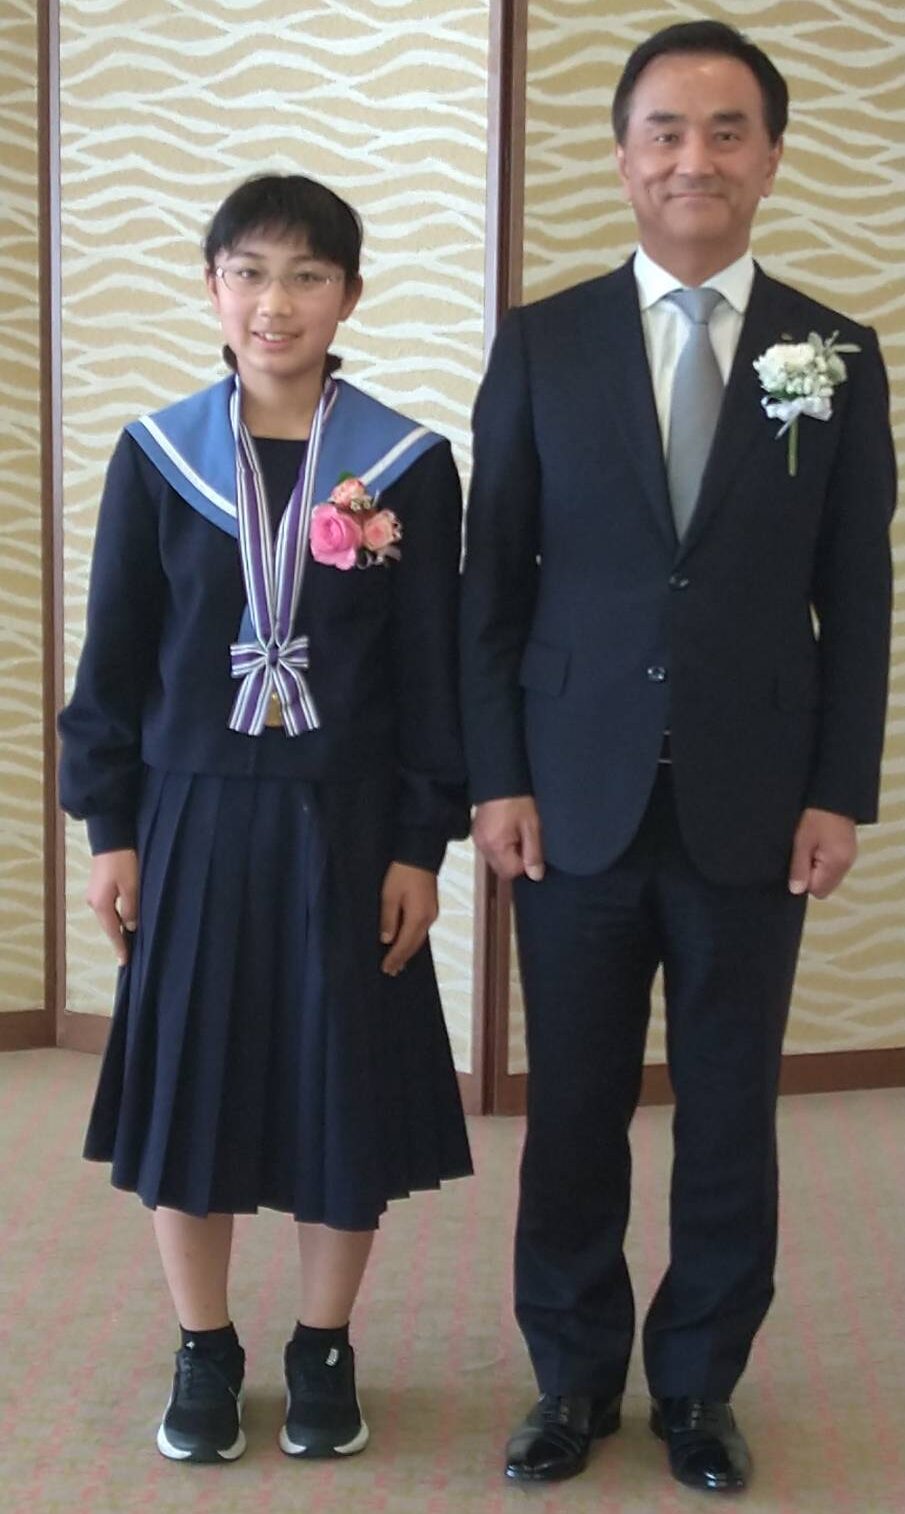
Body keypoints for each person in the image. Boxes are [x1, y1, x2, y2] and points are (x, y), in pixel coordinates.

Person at [460, 20, 895, 1495]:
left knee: (726, 1114)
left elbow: (857, 591)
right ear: (622, 154)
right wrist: (496, 777)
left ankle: (700, 1384)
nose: (691, 157)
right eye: (663, 129)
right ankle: (573, 1378)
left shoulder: (834, 355)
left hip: (754, 801)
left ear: (769, 157)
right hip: (571, 792)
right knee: (573, 1112)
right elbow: (490, 585)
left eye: (724, 131)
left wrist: (839, 788)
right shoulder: (544, 340)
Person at [59, 172, 471, 1466]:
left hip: (347, 825)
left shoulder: (405, 465)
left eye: (306, 275)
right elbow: (114, 660)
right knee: (195, 1083)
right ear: (212, 288)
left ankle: (323, 1344)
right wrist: (110, 829)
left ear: (349, 295)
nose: (273, 301)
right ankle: (205, 1343)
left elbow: (431, 677)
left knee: (339, 1085)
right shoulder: (159, 454)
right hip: (191, 816)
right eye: (247, 272)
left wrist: (419, 843)